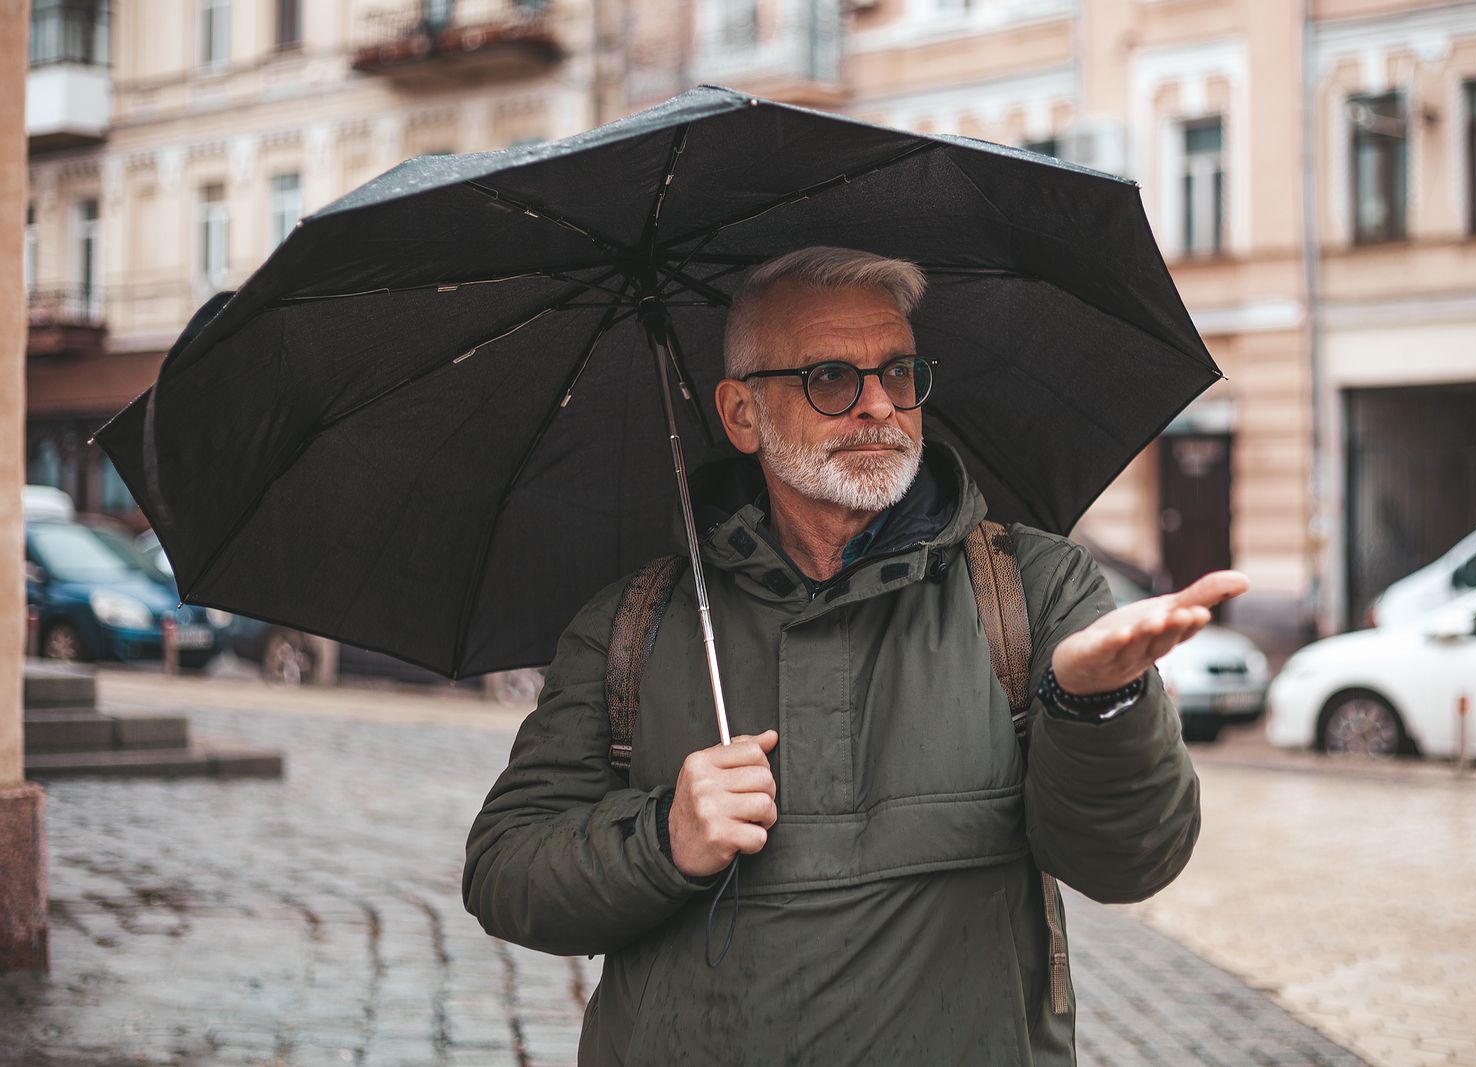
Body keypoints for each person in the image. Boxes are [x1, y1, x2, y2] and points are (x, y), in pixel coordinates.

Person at [464, 246, 1248, 1065]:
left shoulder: (1031, 590)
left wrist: (1096, 704)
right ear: (741, 414)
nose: (880, 405)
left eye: (900, 373)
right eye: (831, 378)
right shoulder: (631, 624)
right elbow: (504, 869)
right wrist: (664, 837)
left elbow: (1132, 861)